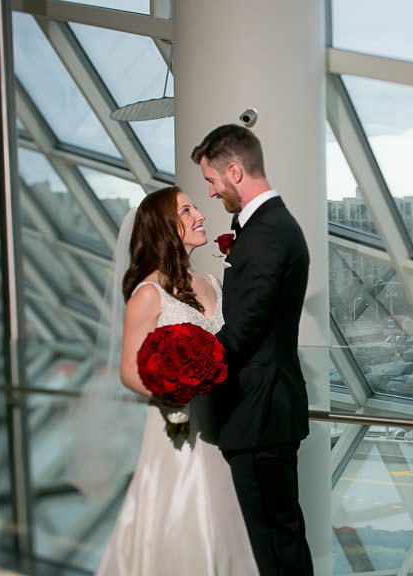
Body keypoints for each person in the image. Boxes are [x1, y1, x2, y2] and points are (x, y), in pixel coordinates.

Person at [96, 186, 258, 575]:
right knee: (183, 521)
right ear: (165, 227)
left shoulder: (212, 283)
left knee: (224, 527)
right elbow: (129, 371)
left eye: (195, 208)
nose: (200, 216)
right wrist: (176, 390)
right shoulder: (148, 294)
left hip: (222, 425)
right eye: (186, 211)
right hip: (177, 428)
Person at [191, 124, 313, 575]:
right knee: (279, 540)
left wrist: (184, 372)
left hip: (259, 414)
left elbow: (242, 332)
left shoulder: (265, 234)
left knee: (273, 550)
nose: (211, 191)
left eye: (212, 180)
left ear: (235, 171)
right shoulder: (273, 226)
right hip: (267, 411)